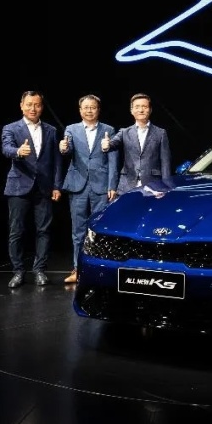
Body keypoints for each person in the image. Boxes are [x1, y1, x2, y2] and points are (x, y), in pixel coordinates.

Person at [0, 90, 63, 288]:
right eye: (29, 104)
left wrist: (57, 186)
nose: (33, 108)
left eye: (37, 105)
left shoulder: (51, 130)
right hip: (19, 185)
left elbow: (57, 161)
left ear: (41, 107)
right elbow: (6, 148)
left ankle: (40, 270)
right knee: (16, 231)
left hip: (44, 187)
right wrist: (18, 151)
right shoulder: (11, 128)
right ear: (22, 106)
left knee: (44, 230)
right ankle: (18, 271)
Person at [59, 94, 120, 284]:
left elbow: (113, 160)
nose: (89, 110)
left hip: (101, 186)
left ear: (98, 109)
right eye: (86, 107)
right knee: (78, 231)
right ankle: (77, 269)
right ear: (80, 110)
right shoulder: (71, 129)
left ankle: (99, 270)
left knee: (99, 230)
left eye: (93, 107)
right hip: (78, 185)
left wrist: (112, 185)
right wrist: (63, 148)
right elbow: (67, 150)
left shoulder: (108, 130)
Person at [102, 92, 172, 194]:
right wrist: (106, 145)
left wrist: (167, 186)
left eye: (144, 106)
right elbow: (113, 144)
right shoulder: (125, 132)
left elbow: (165, 162)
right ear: (132, 111)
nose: (141, 110)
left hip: (153, 184)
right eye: (137, 107)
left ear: (150, 110)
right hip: (127, 185)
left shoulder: (160, 133)